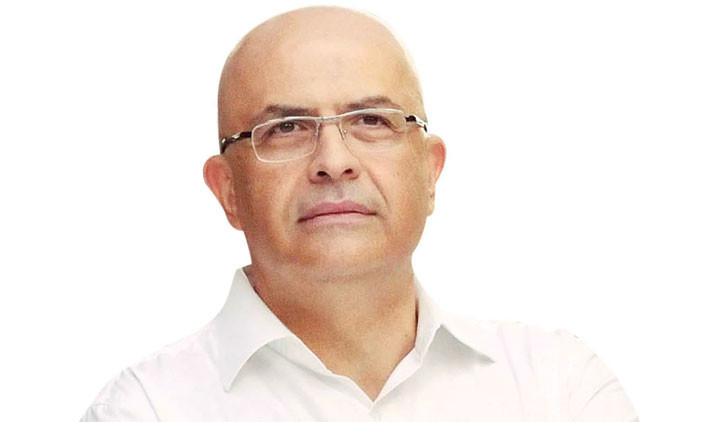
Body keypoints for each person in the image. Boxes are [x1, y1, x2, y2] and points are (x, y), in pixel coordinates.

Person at [82, 6, 638, 421]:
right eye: (286, 128)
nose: (334, 161)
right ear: (228, 190)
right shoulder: (146, 409)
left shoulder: (559, 389)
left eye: (371, 120)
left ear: (429, 173)